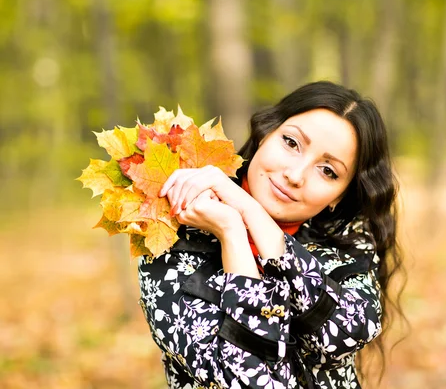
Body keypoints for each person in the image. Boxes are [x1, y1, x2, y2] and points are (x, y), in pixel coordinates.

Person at [137, 81, 406, 388]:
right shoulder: (174, 237)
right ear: (266, 133)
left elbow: (346, 331)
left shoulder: (347, 243)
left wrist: (250, 212)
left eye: (328, 170)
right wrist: (231, 233)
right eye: (291, 143)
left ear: (340, 197)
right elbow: (250, 380)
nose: (295, 175)